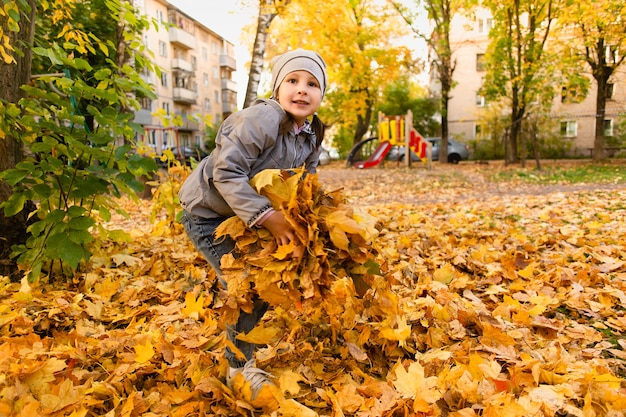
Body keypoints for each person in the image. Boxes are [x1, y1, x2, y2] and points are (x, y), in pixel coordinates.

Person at [178, 49, 327, 400]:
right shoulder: (260, 120)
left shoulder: (311, 132)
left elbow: (308, 179)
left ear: (322, 95)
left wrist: (310, 219)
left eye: (312, 84)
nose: (302, 90)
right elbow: (226, 172)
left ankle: (235, 336)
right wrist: (268, 217)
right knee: (249, 288)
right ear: (277, 88)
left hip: (245, 218)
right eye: (292, 81)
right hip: (208, 213)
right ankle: (238, 368)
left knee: (269, 281)